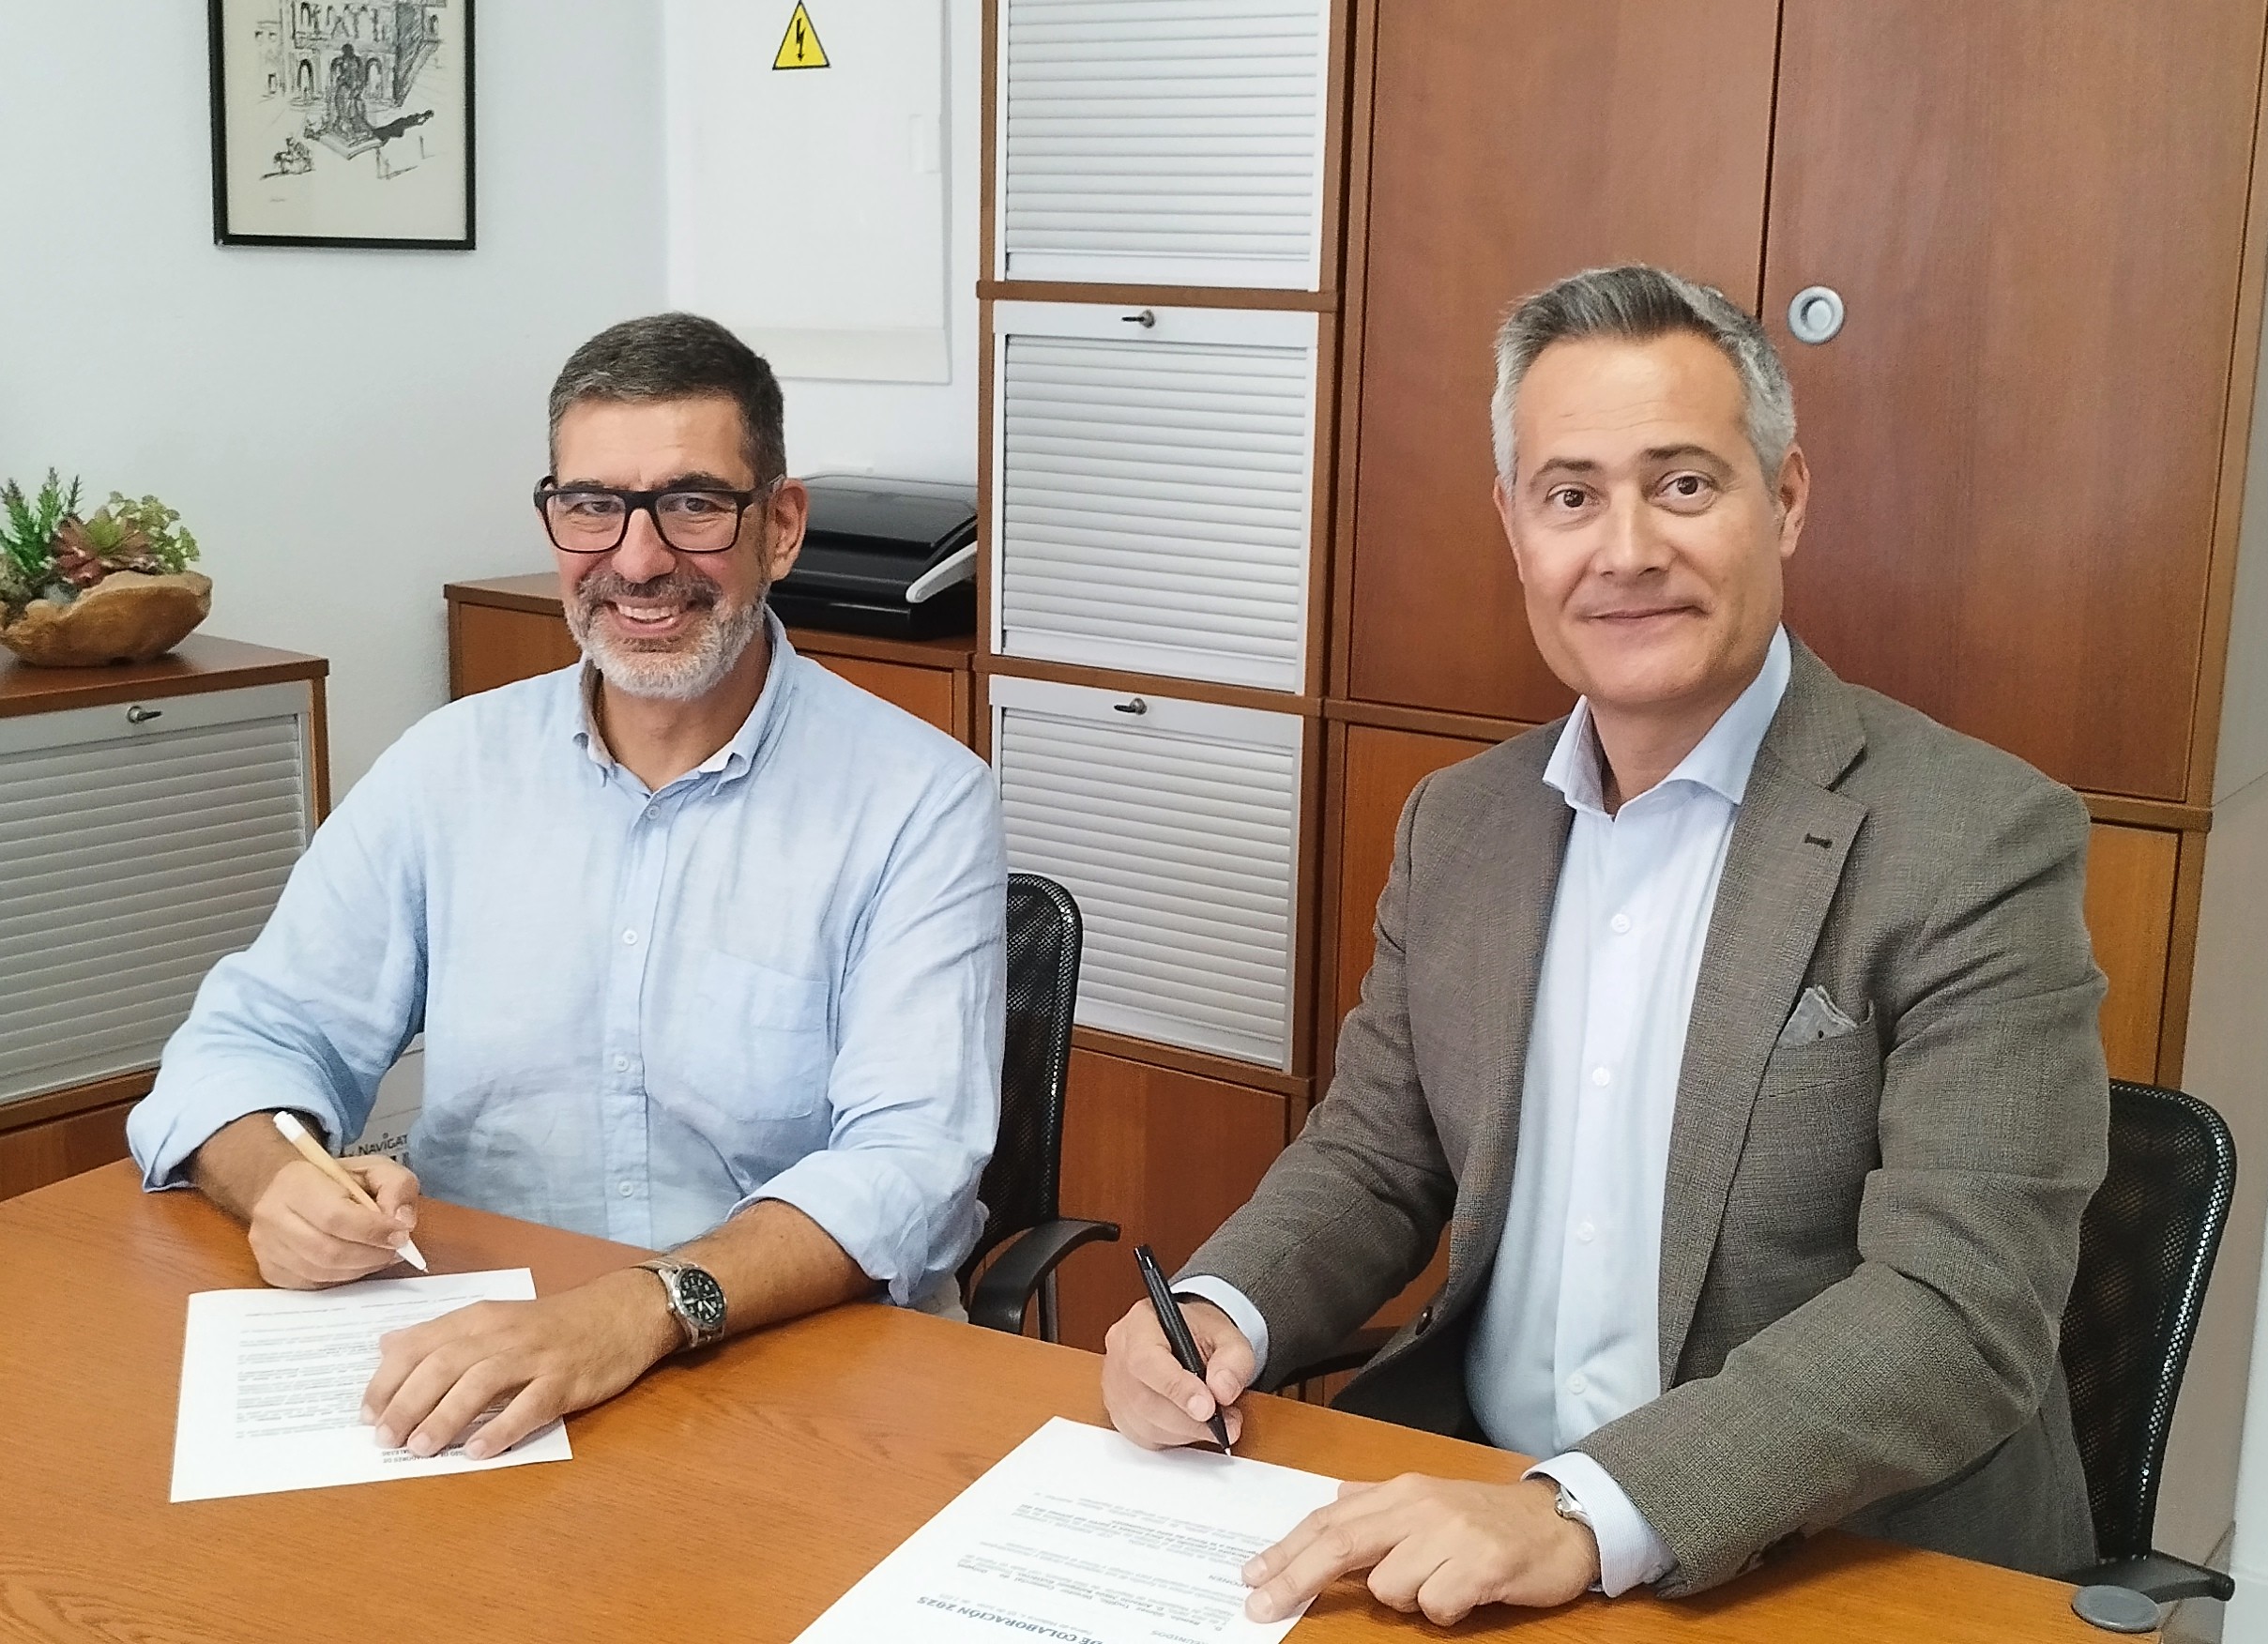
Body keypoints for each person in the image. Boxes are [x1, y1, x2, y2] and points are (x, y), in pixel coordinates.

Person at [1101, 265, 2108, 1622]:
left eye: (1682, 484)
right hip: (1467, 1512)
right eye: (1569, 496)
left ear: (1785, 499)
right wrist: (1225, 1310)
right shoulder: (1462, 824)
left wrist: (1578, 1509)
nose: (1623, 550)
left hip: (1816, 1555)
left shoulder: (1974, 841)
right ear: (1516, 529)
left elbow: (1958, 1305)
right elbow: (1376, 1151)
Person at [129, 312, 1004, 1463]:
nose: (636, 561)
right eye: (593, 506)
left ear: (780, 527)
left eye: (693, 505)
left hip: (787, 1370)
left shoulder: (920, 801)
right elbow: (248, 1041)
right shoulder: (451, 767)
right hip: (479, 1352)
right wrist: (276, 1184)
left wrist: (632, 1314)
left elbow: (909, 1168)